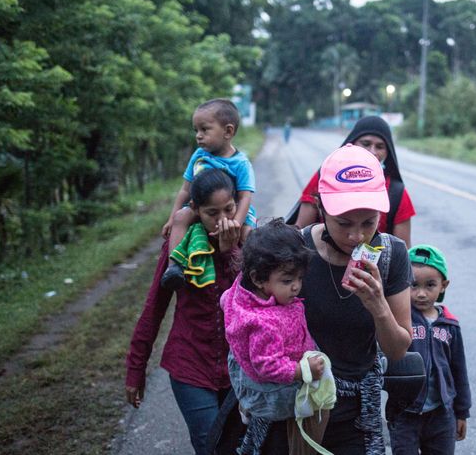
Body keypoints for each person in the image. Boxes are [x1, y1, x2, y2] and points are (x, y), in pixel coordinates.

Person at [287, 143, 414, 454]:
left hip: (357, 414)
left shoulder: (392, 255)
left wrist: (378, 306)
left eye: (369, 222)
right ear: (320, 206)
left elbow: (398, 350)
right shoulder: (293, 250)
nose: (357, 236)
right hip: (298, 406)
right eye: (344, 223)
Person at [126, 168, 244, 455]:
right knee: (210, 446)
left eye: (228, 209)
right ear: (195, 210)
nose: (222, 220)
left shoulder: (246, 240)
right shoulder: (180, 249)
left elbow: (255, 300)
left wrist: (229, 252)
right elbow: (154, 308)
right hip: (190, 365)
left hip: (238, 369)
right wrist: (135, 369)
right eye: (212, 213)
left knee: (239, 446)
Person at [220, 218, 329, 454]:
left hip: (249, 368)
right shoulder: (263, 324)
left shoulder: (243, 289)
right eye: (287, 281)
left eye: (300, 278)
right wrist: (302, 370)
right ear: (258, 278)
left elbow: (225, 298)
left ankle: (248, 402)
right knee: (301, 411)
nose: (296, 287)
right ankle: (254, 404)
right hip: (273, 387)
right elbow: (267, 366)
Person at [161, 98, 257, 291]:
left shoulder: (240, 163)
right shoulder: (199, 156)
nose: (198, 136)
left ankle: (250, 276)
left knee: (249, 234)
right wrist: (172, 218)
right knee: (181, 218)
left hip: (231, 211)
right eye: (196, 130)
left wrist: (236, 223)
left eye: (204, 130)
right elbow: (185, 190)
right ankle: (174, 268)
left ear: (228, 131)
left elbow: (245, 197)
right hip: (201, 209)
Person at [387, 244, 471, 455]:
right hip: (404, 413)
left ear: (443, 285)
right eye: (413, 285)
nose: (421, 294)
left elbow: (459, 370)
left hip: (442, 415)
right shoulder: (399, 321)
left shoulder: (450, 325)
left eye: (430, 285)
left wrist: (462, 412)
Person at [294, 116, 416, 247]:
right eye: (366, 144)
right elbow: (300, 234)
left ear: (387, 152)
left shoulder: (396, 193)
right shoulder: (326, 180)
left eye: (380, 146)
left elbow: (404, 249)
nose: (372, 151)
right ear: (352, 143)